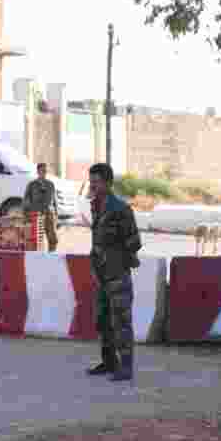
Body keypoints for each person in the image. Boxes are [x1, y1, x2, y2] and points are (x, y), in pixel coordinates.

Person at [84, 162, 142, 382]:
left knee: (121, 321)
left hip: (117, 273)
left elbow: (134, 241)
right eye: (91, 182)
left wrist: (117, 257)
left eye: (96, 182)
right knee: (103, 319)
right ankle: (109, 362)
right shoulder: (96, 205)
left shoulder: (120, 208)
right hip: (101, 273)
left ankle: (125, 367)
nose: (93, 186)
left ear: (108, 183)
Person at [24, 163, 59, 252]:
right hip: (37, 215)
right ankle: (38, 258)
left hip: (49, 215)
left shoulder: (51, 184)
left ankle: (51, 256)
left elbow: (55, 201)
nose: (44, 172)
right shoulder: (32, 185)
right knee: (37, 240)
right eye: (42, 170)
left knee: (53, 239)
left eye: (45, 171)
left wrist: (56, 216)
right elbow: (26, 201)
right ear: (38, 171)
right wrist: (27, 216)